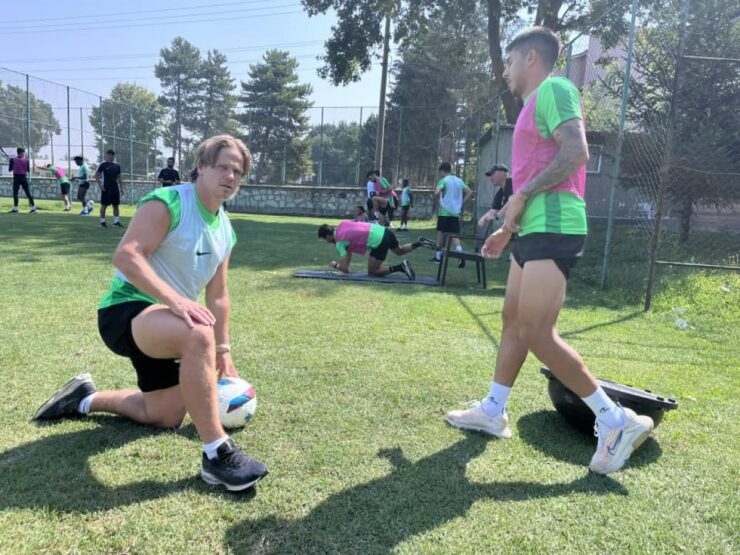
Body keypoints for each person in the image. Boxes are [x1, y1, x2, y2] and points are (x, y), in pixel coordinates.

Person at [445, 27, 654, 475]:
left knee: (538, 331)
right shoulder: (530, 108)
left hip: (556, 223)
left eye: (509, 61)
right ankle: (493, 410)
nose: (505, 71)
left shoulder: (555, 89)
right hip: (533, 228)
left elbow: (576, 152)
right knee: (513, 321)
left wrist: (520, 198)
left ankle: (616, 420)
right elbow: (532, 176)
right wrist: (508, 229)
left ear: (531, 59)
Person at [33, 134, 269, 491]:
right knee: (197, 332)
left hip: (168, 323)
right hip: (125, 311)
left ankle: (84, 398)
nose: (231, 176)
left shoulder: (225, 230)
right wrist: (176, 301)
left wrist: (224, 350)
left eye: (238, 171)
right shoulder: (169, 202)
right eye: (223, 167)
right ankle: (217, 455)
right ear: (201, 166)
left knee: (165, 415)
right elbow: (127, 255)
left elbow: (218, 295)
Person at [318, 221, 422, 280]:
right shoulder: (342, 225)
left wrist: (335, 265)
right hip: (383, 230)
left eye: (325, 239)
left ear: (327, 235)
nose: (327, 241)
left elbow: (345, 269)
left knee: (372, 272)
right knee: (400, 250)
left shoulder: (340, 242)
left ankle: (401, 267)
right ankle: (420, 243)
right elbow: (348, 250)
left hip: (378, 240)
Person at [432, 162, 473, 267]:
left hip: (444, 212)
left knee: (441, 233)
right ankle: (460, 254)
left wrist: (438, 201)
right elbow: (470, 192)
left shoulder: (443, 180)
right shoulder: (459, 180)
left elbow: (437, 192)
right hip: (455, 213)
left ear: (442, 171)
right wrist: (461, 203)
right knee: (454, 235)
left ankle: (438, 257)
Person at [477, 164, 512, 231]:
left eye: (492, 174)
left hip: (527, 225)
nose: (490, 178)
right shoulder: (500, 192)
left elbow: (512, 202)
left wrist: (497, 216)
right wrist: (484, 218)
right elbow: (495, 209)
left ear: (502, 173)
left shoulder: (512, 182)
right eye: (490, 175)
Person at [95, 149, 124, 228]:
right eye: (109, 155)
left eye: (112, 155)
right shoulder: (103, 164)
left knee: (116, 205)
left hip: (115, 188)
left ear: (114, 156)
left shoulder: (117, 166)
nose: (111, 156)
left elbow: (119, 177)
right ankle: (102, 222)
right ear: (107, 155)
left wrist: (121, 188)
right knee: (104, 205)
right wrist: (101, 186)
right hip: (106, 188)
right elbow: (96, 175)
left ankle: (116, 222)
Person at [8, 147, 36, 213]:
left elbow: (10, 169)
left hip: (16, 178)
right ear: (22, 153)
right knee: (27, 193)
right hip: (23, 178)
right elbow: (28, 170)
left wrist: (12, 164)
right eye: (24, 152)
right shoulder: (26, 160)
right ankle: (33, 208)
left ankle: (16, 208)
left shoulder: (12, 159)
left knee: (15, 193)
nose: (24, 154)